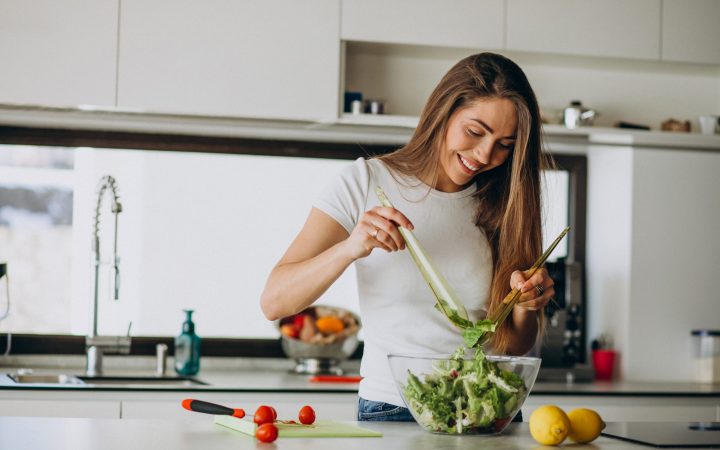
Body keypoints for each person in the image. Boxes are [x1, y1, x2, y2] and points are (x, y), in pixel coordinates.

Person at [260, 52, 555, 422]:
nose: (484, 154)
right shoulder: (365, 183)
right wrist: (350, 248)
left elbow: (511, 343)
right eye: (475, 132)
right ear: (443, 114)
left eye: (505, 145)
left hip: (489, 409)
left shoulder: (506, 203)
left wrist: (528, 305)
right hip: (395, 407)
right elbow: (275, 301)